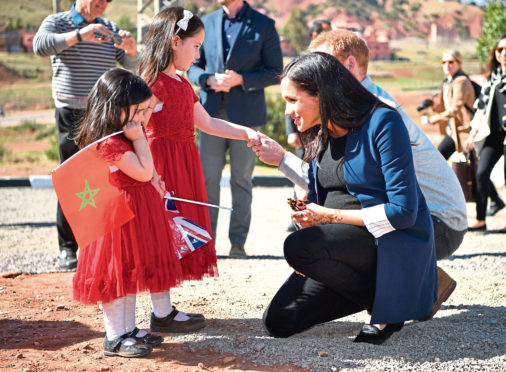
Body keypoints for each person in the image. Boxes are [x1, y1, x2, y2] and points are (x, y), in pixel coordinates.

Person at [252, 29, 467, 320]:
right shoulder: (327, 123)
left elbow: (395, 206)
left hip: (431, 221)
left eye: (325, 65)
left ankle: (409, 289)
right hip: (370, 220)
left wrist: (326, 221)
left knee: (306, 246)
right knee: (280, 319)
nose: (320, 72)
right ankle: (387, 292)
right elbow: (339, 182)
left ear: (347, 66)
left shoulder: (380, 114)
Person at [137, 7, 261, 329]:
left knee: (173, 232)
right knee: (161, 235)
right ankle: (161, 314)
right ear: (175, 42)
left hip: (183, 166)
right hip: (160, 168)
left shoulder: (182, 83)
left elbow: (206, 122)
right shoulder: (152, 84)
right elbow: (136, 130)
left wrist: (245, 132)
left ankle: (163, 309)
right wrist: (150, 173)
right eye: (195, 46)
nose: (198, 54)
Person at [72, 69, 183, 358]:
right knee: (116, 276)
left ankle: (128, 329)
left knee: (130, 273)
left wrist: (154, 173)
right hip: (116, 220)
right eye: (139, 111)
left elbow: (148, 173)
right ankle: (114, 336)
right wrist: (141, 139)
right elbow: (143, 171)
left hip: (132, 216)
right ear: (116, 108)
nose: (144, 118)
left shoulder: (123, 137)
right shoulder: (111, 142)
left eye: (147, 111)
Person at [33, 0, 138, 271]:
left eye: (108, 0)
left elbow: (131, 64)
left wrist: (131, 50)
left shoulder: (110, 28)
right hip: (72, 115)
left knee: (108, 179)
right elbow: (40, 46)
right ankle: (68, 249)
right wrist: (80, 35)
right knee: (74, 181)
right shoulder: (57, 22)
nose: (103, 3)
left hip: (104, 115)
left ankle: (102, 248)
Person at [188, 0, 283, 257]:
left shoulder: (264, 25)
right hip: (210, 114)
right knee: (207, 180)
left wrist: (243, 80)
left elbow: (276, 72)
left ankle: (238, 244)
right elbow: (190, 65)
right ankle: (204, 243)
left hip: (247, 117)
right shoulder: (205, 23)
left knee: (242, 179)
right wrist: (207, 79)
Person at [421, 50, 504, 214]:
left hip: (465, 132)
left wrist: (433, 119)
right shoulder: (448, 82)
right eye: (444, 62)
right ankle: (496, 200)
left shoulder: (460, 82)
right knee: (475, 168)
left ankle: (439, 199)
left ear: (459, 63)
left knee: (474, 168)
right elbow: (446, 105)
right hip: (455, 132)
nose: (447, 65)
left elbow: (455, 108)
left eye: (451, 62)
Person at [285, 19, 332, 232]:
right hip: (303, 132)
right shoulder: (301, 64)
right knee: (301, 178)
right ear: (314, 37)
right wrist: (291, 131)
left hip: (320, 132)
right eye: (326, 33)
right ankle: (299, 219)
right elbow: (291, 99)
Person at [465, 35, 506, 231]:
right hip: (494, 135)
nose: (504, 53)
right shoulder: (493, 79)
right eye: (500, 50)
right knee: (481, 173)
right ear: (496, 54)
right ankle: (480, 220)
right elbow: (481, 109)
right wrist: (472, 134)